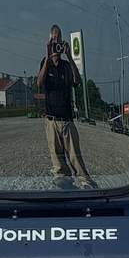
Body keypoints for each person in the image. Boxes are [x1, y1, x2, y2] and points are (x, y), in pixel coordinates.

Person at [37, 24, 93, 185]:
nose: (56, 42)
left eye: (59, 38)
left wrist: (69, 56)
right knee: (57, 158)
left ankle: (85, 183)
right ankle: (65, 184)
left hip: (67, 120)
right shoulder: (45, 63)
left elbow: (77, 81)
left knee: (75, 156)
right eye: (53, 39)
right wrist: (48, 58)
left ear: (62, 41)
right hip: (51, 120)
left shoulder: (67, 66)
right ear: (49, 40)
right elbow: (40, 83)